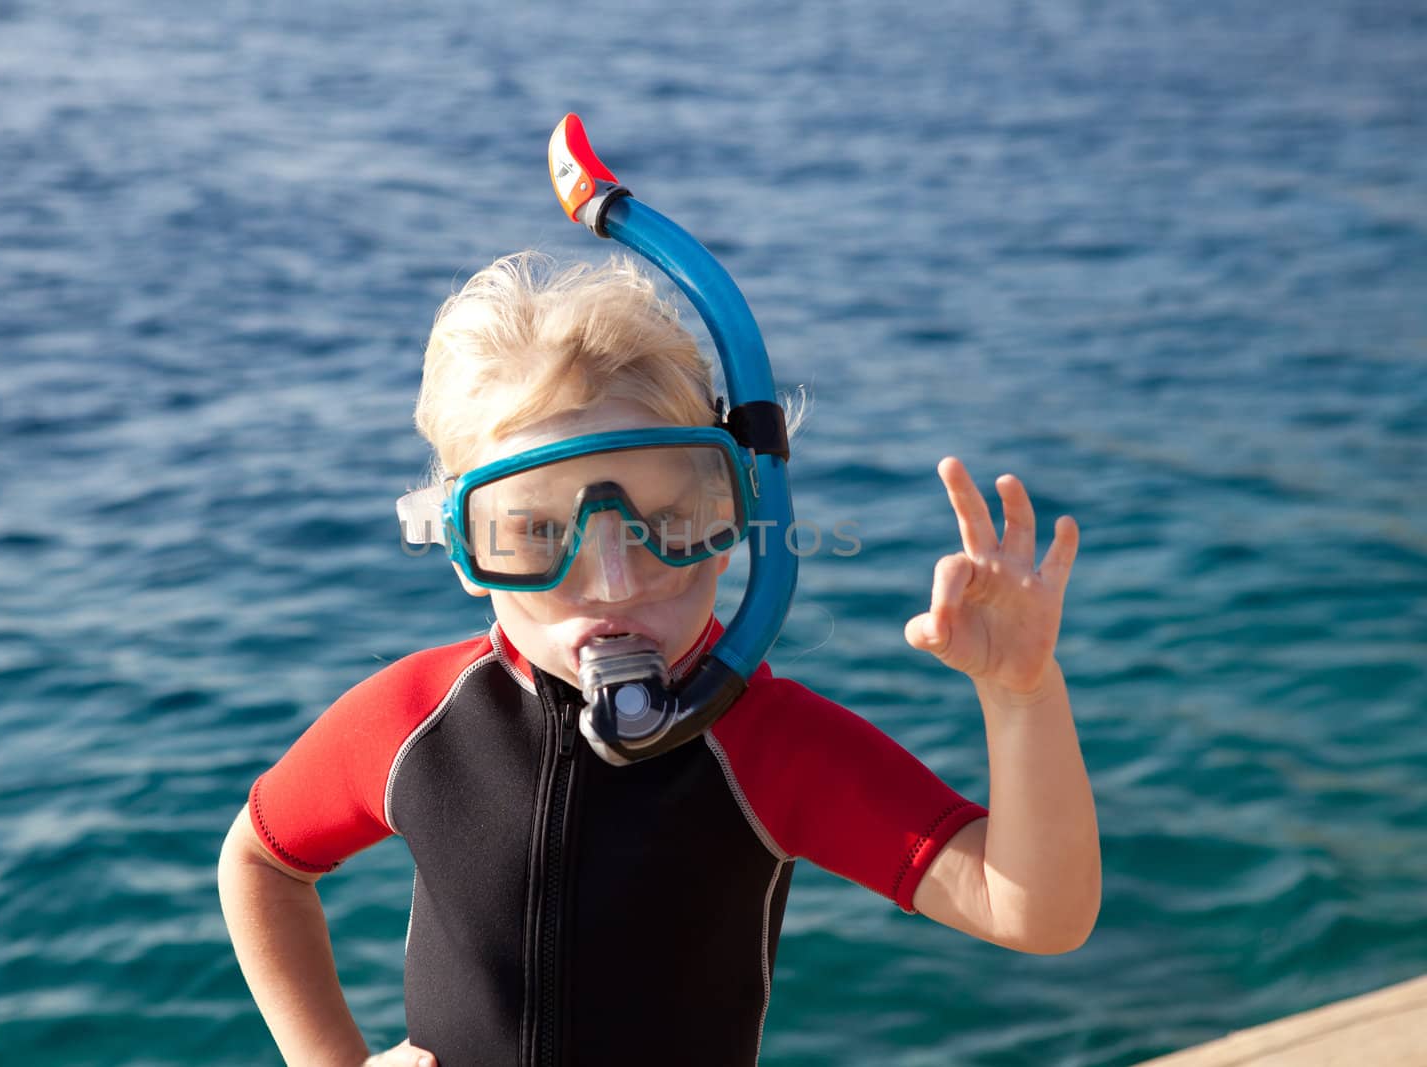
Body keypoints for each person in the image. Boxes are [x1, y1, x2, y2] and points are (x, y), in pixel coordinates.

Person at [217, 252, 1101, 1067]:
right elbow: (260, 859)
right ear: (461, 546)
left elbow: (1034, 910)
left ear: (739, 512)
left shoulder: (767, 744)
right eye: (535, 533)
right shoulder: (417, 718)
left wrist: (1021, 695)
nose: (615, 578)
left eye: (670, 518)